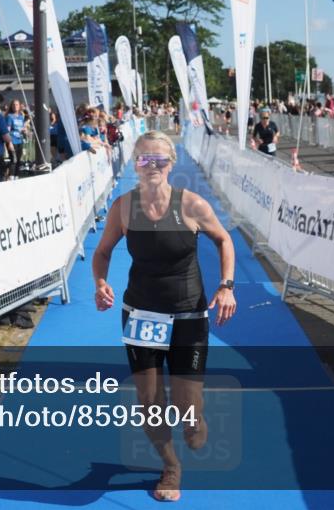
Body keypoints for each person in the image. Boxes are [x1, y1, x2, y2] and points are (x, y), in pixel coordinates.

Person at [92, 131, 236, 502]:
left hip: (188, 314)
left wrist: (227, 285)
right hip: (141, 313)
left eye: (159, 160)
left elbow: (224, 240)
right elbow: (103, 251)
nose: (152, 166)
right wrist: (100, 282)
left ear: (171, 165)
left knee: (187, 406)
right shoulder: (123, 207)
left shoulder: (191, 205)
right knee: (148, 401)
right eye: (144, 160)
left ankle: (195, 417)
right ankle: (170, 467)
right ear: (134, 164)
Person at [6, 99, 27, 179]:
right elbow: (7, 130)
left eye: (17, 104)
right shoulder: (9, 116)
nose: (15, 106)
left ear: (19, 106)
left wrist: (24, 131)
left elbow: (21, 128)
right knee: (13, 160)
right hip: (12, 140)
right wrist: (9, 142)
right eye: (14, 105)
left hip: (20, 140)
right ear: (11, 106)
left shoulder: (21, 117)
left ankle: (16, 176)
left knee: (18, 160)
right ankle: (11, 177)